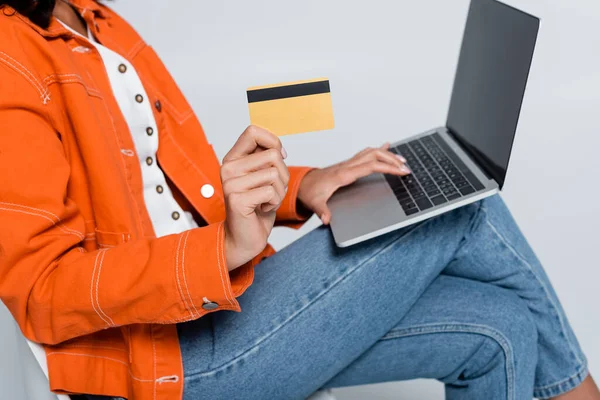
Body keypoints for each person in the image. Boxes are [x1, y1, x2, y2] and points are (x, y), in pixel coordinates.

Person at [0, 1, 597, 399]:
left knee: (501, 328)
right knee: (466, 206)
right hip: (167, 363)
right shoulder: (11, 57)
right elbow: (43, 291)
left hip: (221, 306)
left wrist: (304, 186)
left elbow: (183, 185)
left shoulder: (98, 22)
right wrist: (221, 250)